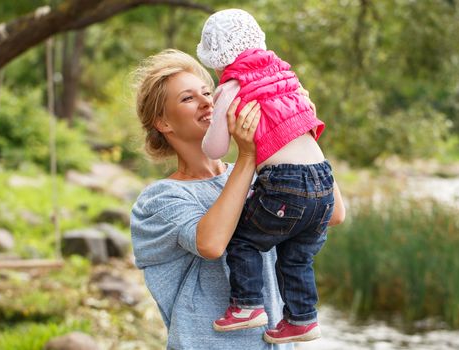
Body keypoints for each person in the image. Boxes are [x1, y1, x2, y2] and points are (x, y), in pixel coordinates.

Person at [130, 49, 345, 349]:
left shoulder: (265, 175)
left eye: (208, 92)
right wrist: (247, 156)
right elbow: (212, 243)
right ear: (163, 123)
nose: (207, 102)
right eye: (188, 98)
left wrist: (300, 131)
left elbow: (334, 213)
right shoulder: (159, 200)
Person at [196, 9, 342, 344]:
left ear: (217, 61)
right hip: (323, 179)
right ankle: (302, 318)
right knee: (297, 255)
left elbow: (216, 148)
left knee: (244, 239)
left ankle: (247, 305)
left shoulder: (232, 87)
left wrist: (223, 124)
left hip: (286, 182)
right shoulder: (288, 79)